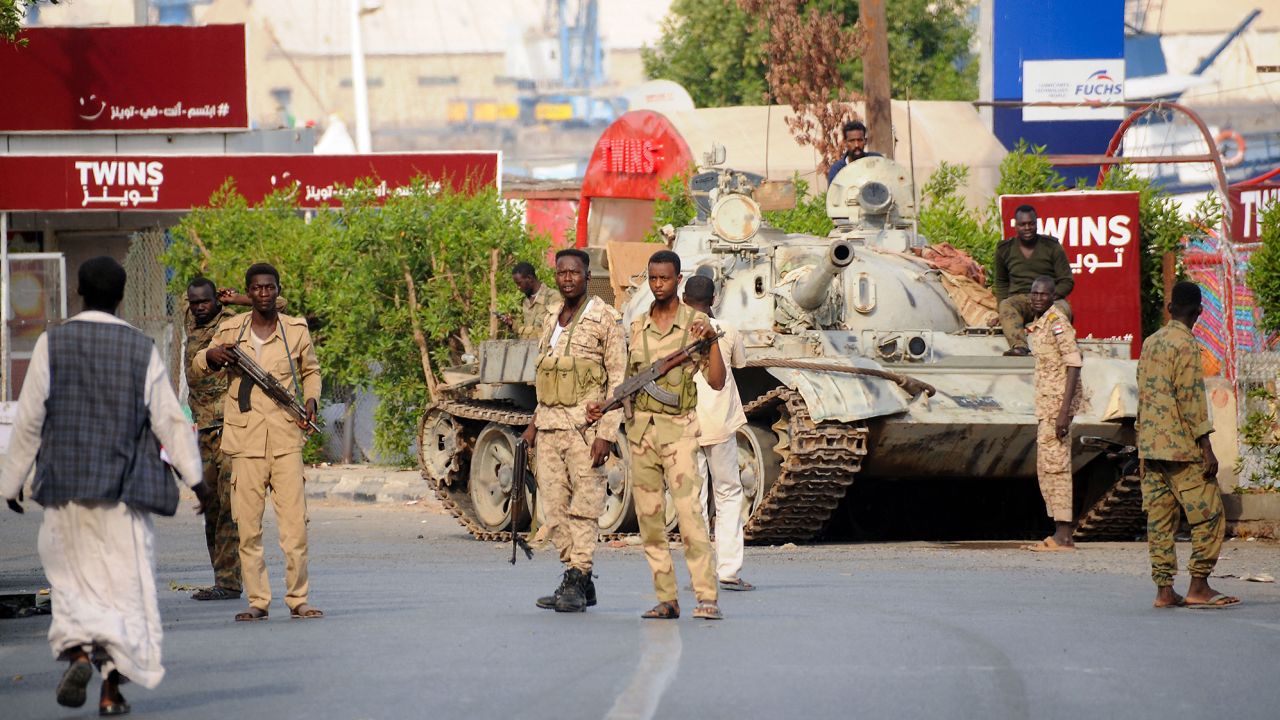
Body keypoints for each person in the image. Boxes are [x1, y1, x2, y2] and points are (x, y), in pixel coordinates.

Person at [1, 256, 207, 715]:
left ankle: (75, 652)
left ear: (78, 292)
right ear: (120, 296)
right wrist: (197, 480)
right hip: (123, 492)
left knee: (70, 581)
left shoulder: (51, 343)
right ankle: (112, 690)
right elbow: (170, 420)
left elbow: (30, 417)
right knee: (121, 590)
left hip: (65, 486)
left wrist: (11, 481)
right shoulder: (140, 348)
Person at [590, 250, 725, 620]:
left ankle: (706, 596)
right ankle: (667, 598)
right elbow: (630, 383)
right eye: (652, 279)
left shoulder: (696, 324)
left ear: (678, 280)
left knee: (689, 516)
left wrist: (711, 340)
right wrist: (605, 407)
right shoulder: (637, 327)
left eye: (664, 278)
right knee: (649, 520)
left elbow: (716, 381)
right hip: (641, 433)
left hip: (679, 431)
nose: (657, 285)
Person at [191, 262, 324, 622]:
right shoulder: (232, 329)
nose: (264, 294)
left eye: (270, 288)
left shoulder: (295, 329)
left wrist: (311, 399)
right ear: (248, 293)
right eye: (257, 288)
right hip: (245, 441)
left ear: (277, 290)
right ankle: (258, 601)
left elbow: (311, 371)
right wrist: (213, 356)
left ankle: (298, 599)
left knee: (294, 527)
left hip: (285, 438)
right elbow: (197, 365)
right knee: (248, 528)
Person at [521, 249, 625, 612]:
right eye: (562, 273)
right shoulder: (551, 318)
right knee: (554, 508)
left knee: (584, 508)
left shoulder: (604, 319)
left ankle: (579, 577)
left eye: (574, 273)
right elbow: (547, 376)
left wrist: (606, 434)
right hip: (549, 427)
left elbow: (618, 381)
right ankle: (574, 574)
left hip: (585, 429)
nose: (568, 278)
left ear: (587, 275)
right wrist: (533, 426)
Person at [1137, 281, 1239, 609]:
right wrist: (1206, 448)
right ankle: (1199, 586)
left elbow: (1142, 391)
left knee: (1160, 520)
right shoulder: (1187, 345)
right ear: (1198, 312)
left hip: (1151, 447)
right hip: (1180, 447)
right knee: (1209, 514)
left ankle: (1164, 590)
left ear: (1169, 309)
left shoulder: (1151, 342)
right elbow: (1191, 398)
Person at [682, 275, 754, 590]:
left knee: (694, 500)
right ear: (714, 300)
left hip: (685, 425)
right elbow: (738, 363)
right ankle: (728, 571)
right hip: (719, 423)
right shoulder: (728, 329)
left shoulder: (674, 331)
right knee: (727, 494)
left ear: (684, 298)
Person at [1023, 276, 1083, 552]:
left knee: (1057, 469)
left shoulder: (1057, 323)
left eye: (1043, 294)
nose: (1037, 298)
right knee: (1047, 468)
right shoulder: (1040, 325)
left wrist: (1063, 412)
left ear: (1052, 296)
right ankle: (1058, 533)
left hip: (1055, 408)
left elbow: (1074, 364)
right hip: (1046, 408)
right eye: (1034, 294)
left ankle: (1064, 535)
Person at [991, 205, 1074, 356]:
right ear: (1015, 226)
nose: (1027, 228)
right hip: (1021, 299)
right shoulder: (1004, 249)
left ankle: (1056, 347)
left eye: (1031, 223)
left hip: (1050, 300)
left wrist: (1047, 298)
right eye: (1023, 224)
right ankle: (1019, 346)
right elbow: (1001, 282)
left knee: (1062, 311)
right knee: (1006, 305)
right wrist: (1001, 311)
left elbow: (1067, 281)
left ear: (1037, 223)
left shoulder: (1051, 247)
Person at [825, 120, 883, 184]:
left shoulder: (876, 161)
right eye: (852, 141)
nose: (856, 145)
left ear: (865, 141)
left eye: (860, 140)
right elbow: (834, 193)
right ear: (845, 143)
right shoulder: (837, 170)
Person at [512, 261, 556, 340]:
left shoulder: (552, 297)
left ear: (529, 278)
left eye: (519, 283)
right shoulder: (525, 301)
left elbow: (553, 330)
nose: (518, 287)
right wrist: (512, 324)